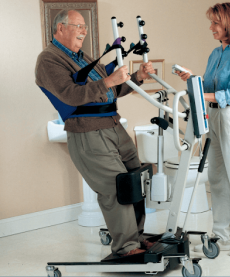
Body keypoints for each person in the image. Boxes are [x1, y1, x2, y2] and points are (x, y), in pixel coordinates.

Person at [35, 9, 155, 256]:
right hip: (88, 132)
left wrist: (137, 77)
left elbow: (110, 91)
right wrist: (110, 80)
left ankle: (137, 237)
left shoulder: (82, 57)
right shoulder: (49, 60)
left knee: (134, 180)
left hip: (113, 125)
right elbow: (71, 95)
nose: (84, 30)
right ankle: (126, 247)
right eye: (78, 25)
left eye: (84, 26)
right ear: (60, 28)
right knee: (115, 188)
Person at [176, 3, 230, 257]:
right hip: (212, 115)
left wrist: (202, 94)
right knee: (217, 178)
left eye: (215, 22)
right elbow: (210, 86)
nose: (211, 27)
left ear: (229, 24)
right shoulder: (216, 53)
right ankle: (221, 236)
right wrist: (194, 79)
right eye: (211, 22)